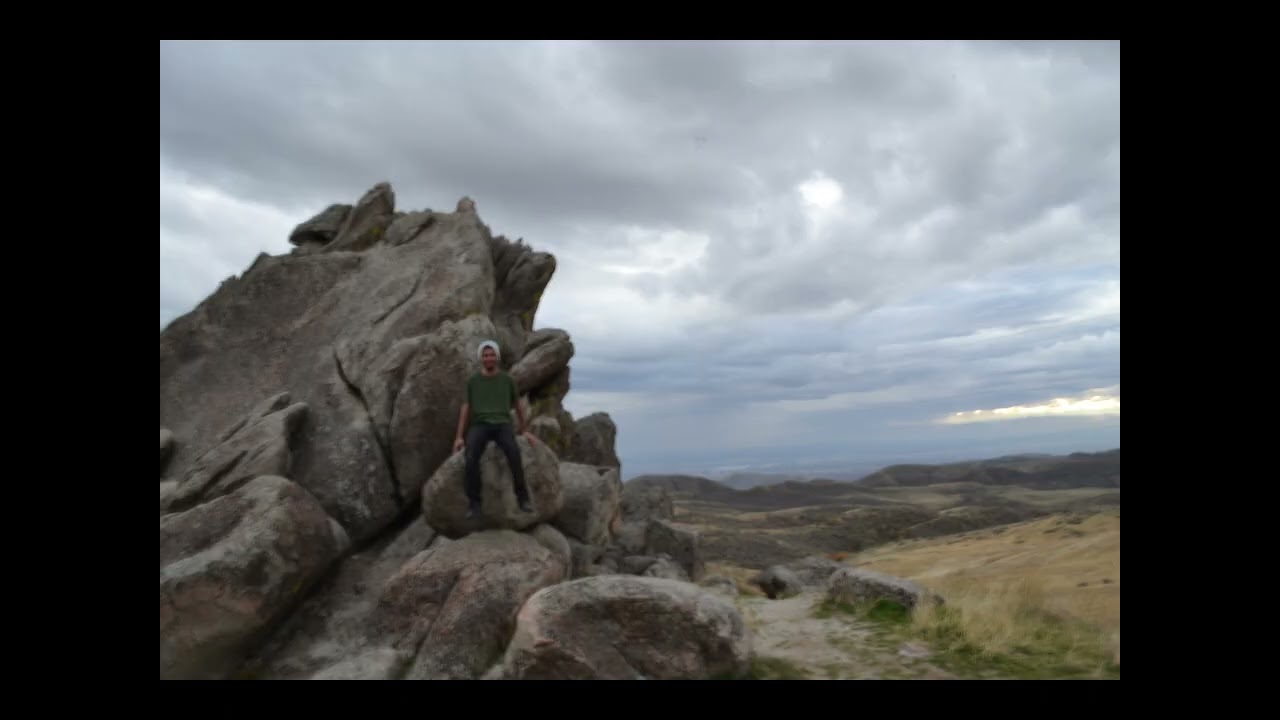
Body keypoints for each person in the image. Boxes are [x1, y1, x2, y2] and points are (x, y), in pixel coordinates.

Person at [452, 339, 537, 518]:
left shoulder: (507, 380)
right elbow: (466, 408)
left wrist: (525, 430)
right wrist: (459, 437)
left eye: (491, 355)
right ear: (481, 358)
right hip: (480, 425)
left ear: (496, 357)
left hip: (502, 424)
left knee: (514, 452)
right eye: (485, 355)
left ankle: (523, 498)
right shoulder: (473, 381)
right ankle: (474, 504)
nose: (488, 358)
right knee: (471, 455)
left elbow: (518, 405)